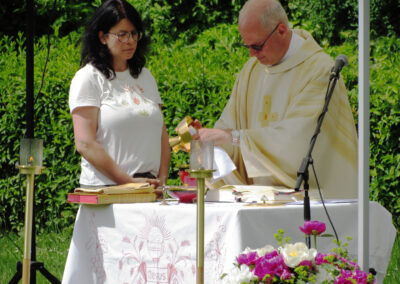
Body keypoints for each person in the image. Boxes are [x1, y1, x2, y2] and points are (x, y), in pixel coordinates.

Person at [194, 0, 358, 199]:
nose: (252, 54)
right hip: (260, 200)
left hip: (311, 200)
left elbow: (297, 142)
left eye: (257, 45)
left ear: (281, 30)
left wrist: (234, 137)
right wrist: (209, 143)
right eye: (246, 46)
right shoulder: (251, 71)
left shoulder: (319, 70)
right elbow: (228, 128)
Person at [69, 0, 170, 188]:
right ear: (103, 37)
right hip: (106, 191)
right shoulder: (88, 78)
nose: (130, 40)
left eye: (133, 34)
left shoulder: (146, 77)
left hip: (149, 189)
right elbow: (85, 143)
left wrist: (162, 182)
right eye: (122, 34)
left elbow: (161, 135)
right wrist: (128, 182)